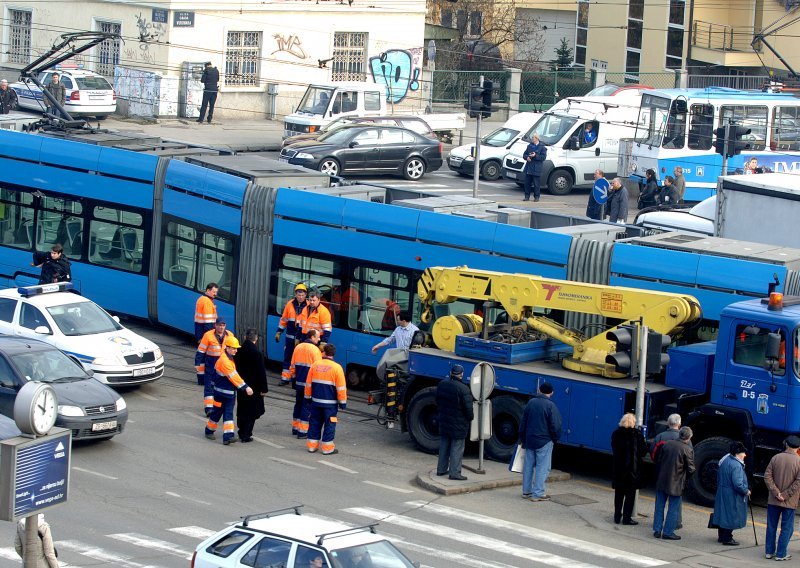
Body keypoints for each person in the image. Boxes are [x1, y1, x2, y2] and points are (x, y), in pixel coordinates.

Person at [205, 335, 253, 445]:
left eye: (236, 348)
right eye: (233, 348)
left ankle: (227, 436)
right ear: (227, 348)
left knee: (227, 414)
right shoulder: (225, 361)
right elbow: (234, 376)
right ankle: (210, 430)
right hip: (224, 394)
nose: (236, 350)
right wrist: (246, 387)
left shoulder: (226, 358)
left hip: (224, 393)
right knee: (218, 413)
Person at [519, 382, 562, 500]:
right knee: (542, 467)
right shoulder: (551, 406)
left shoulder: (531, 402)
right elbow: (555, 425)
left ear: (539, 390)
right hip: (544, 441)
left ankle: (526, 491)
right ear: (551, 392)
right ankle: (538, 493)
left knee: (528, 466)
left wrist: (523, 438)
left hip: (530, 440)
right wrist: (555, 438)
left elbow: (523, 422)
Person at [653, 426, 695, 540]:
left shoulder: (667, 444)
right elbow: (691, 469)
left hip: (662, 479)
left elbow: (659, 460)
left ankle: (657, 530)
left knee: (659, 506)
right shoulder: (687, 449)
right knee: (673, 508)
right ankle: (668, 532)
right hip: (676, 483)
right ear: (688, 437)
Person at [305, 343, 347, 455]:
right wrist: (343, 403)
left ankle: (312, 447)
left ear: (323, 352)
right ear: (333, 354)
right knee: (330, 424)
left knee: (314, 423)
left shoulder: (315, 365)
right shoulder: (337, 368)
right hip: (330, 405)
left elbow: (308, 384)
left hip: (315, 402)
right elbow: (341, 388)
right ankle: (327, 449)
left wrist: (308, 398)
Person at [764, 435, 800, 561]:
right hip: (789, 502)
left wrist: (776, 492)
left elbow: (767, 476)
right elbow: (798, 482)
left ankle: (769, 551)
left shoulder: (776, 458)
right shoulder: (799, 461)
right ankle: (781, 554)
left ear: (786, 444)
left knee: (771, 526)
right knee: (786, 528)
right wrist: (785, 495)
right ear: (798, 447)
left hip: (773, 500)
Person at [436, 364, 473, 480]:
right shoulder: (464, 389)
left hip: (444, 420)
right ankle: (455, 473)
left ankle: (441, 469)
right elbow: (468, 409)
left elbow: (437, 401)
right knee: (457, 448)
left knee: (444, 445)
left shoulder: (442, 384)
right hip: (459, 424)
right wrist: (470, 418)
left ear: (451, 373)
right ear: (461, 374)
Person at [611, 413, 647, 525]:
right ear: (633, 423)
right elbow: (643, 452)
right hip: (632, 471)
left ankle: (617, 516)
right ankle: (626, 518)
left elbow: (614, 448)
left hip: (619, 470)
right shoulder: (637, 435)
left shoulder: (616, 434)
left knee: (619, 495)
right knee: (630, 496)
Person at [711, 441, 750, 545]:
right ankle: (727, 537)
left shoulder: (725, 460)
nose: (745, 455)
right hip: (732, 494)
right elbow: (738, 484)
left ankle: (721, 536)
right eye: (743, 453)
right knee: (732, 514)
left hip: (722, 490)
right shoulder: (736, 465)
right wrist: (746, 491)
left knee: (723, 513)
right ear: (737, 453)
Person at [235, 329, 268, 443]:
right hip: (254, 387)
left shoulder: (239, 351)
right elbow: (261, 373)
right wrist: (264, 389)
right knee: (252, 411)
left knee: (242, 407)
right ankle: (246, 434)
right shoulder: (257, 354)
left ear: (245, 337)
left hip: (241, 385)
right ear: (256, 339)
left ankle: (241, 431)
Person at [195, 317, 232, 414]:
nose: (221, 327)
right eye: (219, 325)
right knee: (209, 387)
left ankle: (217, 407)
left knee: (220, 387)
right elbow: (201, 350)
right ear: (215, 325)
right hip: (211, 363)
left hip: (223, 365)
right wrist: (197, 363)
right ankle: (208, 409)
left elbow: (234, 349)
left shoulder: (230, 335)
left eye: (223, 325)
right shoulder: (208, 335)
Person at [290, 329, 322, 438]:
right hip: (309, 385)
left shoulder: (298, 347)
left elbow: (292, 366)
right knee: (306, 407)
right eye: (318, 337)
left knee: (298, 404)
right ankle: (303, 432)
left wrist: (293, 379)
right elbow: (317, 368)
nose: (319, 339)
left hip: (298, 382)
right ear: (312, 337)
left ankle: (295, 428)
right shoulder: (315, 350)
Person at [275, 283, 309, 386]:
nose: (300, 297)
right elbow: (284, 319)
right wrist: (279, 332)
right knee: (288, 358)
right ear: (295, 294)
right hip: (290, 337)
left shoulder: (308, 306)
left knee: (299, 360)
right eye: (299, 294)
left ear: (305, 295)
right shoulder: (289, 304)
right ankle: (285, 378)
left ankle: (295, 380)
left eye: (302, 295)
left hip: (301, 339)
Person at [522, 134, 547, 202]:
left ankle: (536, 197)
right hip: (529, 168)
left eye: (533, 137)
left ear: (537, 138)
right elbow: (524, 155)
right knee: (527, 183)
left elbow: (543, 157)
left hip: (537, 168)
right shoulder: (529, 146)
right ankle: (527, 196)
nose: (532, 139)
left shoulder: (542, 147)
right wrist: (527, 157)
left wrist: (535, 156)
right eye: (532, 137)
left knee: (536, 184)